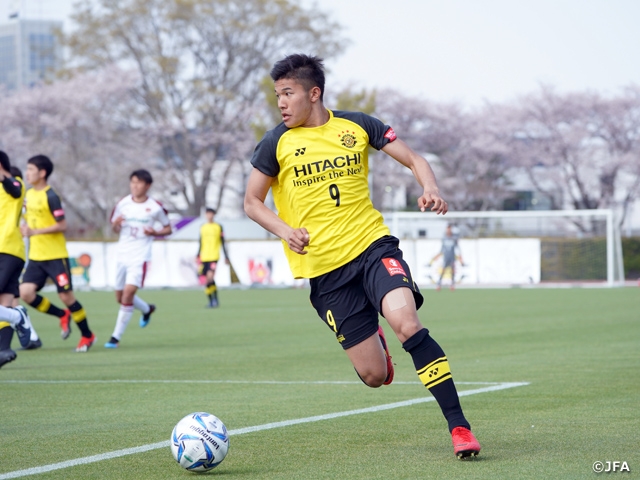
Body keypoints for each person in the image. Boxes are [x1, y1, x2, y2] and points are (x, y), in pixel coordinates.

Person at [244, 54, 481, 459]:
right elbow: (251, 201)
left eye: (288, 93)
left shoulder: (357, 125)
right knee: (373, 376)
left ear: (313, 93)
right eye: (277, 95)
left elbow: (414, 159)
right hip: (326, 273)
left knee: (407, 322)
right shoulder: (275, 142)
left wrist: (431, 187)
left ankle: (459, 427)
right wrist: (285, 230)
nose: (281, 102)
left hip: (373, 247)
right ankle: (378, 347)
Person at [19, 155, 96, 353]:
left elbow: (62, 224)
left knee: (66, 296)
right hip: (36, 256)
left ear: (42, 173)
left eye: (30, 169)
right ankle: (62, 315)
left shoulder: (51, 195)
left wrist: (35, 231)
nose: (27, 173)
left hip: (55, 256)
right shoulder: (28, 194)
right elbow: (29, 220)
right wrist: (24, 228)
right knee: (25, 293)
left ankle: (87, 335)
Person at [104, 169, 172, 348]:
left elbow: (168, 229)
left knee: (127, 295)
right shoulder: (122, 203)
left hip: (140, 257)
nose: (134, 186)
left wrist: (155, 232)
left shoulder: (156, 207)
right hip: (121, 255)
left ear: (147, 186)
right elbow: (114, 228)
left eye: (139, 182)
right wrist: (115, 225)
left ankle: (115, 338)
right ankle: (147, 309)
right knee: (120, 297)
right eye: (132, 182)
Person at [0, 152, 33, 368]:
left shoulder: (14, 183)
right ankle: (3, 349)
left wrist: (3, 175)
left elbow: (14, 188)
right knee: (4, 302)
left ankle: (17, 317)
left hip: (8, 249)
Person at [197, 208, 229, 308]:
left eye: (211, 214)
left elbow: (223, 242)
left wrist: (226, 256)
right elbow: (200, 242)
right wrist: (197, 254)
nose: (209, 216)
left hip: (214, 256)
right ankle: (212, 300)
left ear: (213, 215)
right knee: (207, 280)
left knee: (210, 277)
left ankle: (214, 300)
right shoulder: (202, 227)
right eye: (207, 214)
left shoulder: (218, 227)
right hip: (204, 256)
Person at [429, 224, 464, 291]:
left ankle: (452, 284)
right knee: (442, 271)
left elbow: (458, 248)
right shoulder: (444, 238)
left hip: (452, 258)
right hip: (445, 258)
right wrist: (437, 256)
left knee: (453, 271)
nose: (448, 230)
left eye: (449, 229)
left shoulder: (454, 238)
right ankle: (438, 284)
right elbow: (442, 249)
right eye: (447, 229)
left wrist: (460, 257)